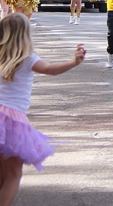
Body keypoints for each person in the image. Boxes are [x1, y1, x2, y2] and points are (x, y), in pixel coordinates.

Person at [0, 13, 85, 202]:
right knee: (13, 176)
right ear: (25, 35)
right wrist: (74, 62)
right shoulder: (27, 58)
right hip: (11, 122)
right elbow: (49, 69)